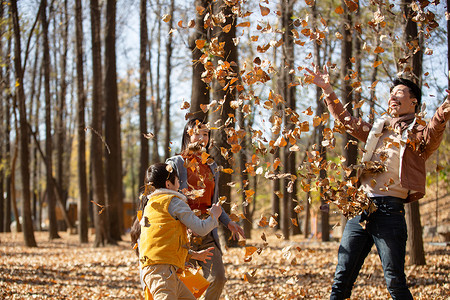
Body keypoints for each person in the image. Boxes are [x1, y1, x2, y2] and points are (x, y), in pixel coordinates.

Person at [306, 65, 450, 300]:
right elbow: (346, 121)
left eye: (400, 92)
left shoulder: (420, 133)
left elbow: (436, 128)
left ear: (413, 101)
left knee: (395, 281)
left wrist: (445, 106)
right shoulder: (378, 129)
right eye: (391, 93)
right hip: (360, 209)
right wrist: (327, 89)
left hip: (390, 212)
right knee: (341, 279)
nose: (393, 96)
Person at [166, 118, 245, 300]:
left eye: (206, 134)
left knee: (218, 278)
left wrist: (228, 222)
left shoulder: (212, 166)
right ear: (188, 134)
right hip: (183, 231)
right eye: (198, 132)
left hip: (207, 228)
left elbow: (214, 203)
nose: (202, 138)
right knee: (182, 284)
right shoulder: (176, 163)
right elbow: (168, 197)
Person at [132, 162, 223, 300]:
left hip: (161, 270)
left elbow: (162, 243)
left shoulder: (152, 204)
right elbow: (202, 228)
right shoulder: (173, 201)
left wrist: (192, 255)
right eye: (177, 180)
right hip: (162, 273)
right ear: (168, 184)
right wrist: (214, 215)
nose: (180, 184)